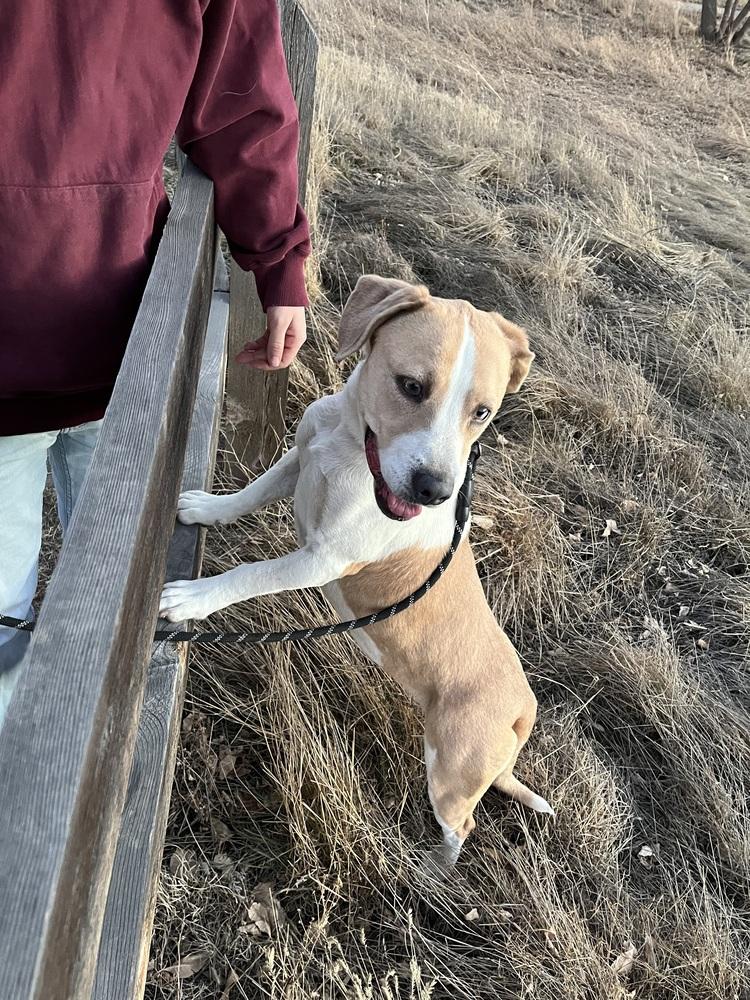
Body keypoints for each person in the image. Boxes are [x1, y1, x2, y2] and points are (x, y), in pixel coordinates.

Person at [0, 0, 311, 719]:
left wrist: (279, 262)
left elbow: (240, 98)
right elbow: (243, 102)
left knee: (106, 597)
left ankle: (74, 753)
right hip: (96, 348)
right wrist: (277, 261)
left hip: (129, 346)